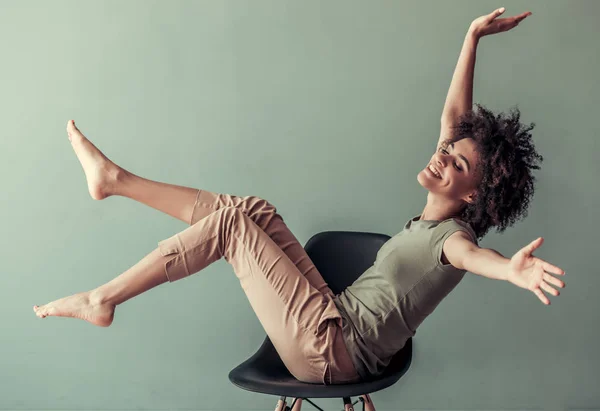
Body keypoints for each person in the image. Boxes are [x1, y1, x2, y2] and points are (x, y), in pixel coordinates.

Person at [33, 7, 565, 387]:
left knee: (235, 227)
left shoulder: (452, 239)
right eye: (447, 148)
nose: (441, 154)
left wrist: (513, 272)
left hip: (331, 352)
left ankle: (103, 299)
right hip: (330, 317)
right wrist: (471, 38)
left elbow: (475, 260)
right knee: (255, 211)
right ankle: (115, 180)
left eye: (457, 162)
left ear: (475, 194)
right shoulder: (435, 212)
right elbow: (454, 120)